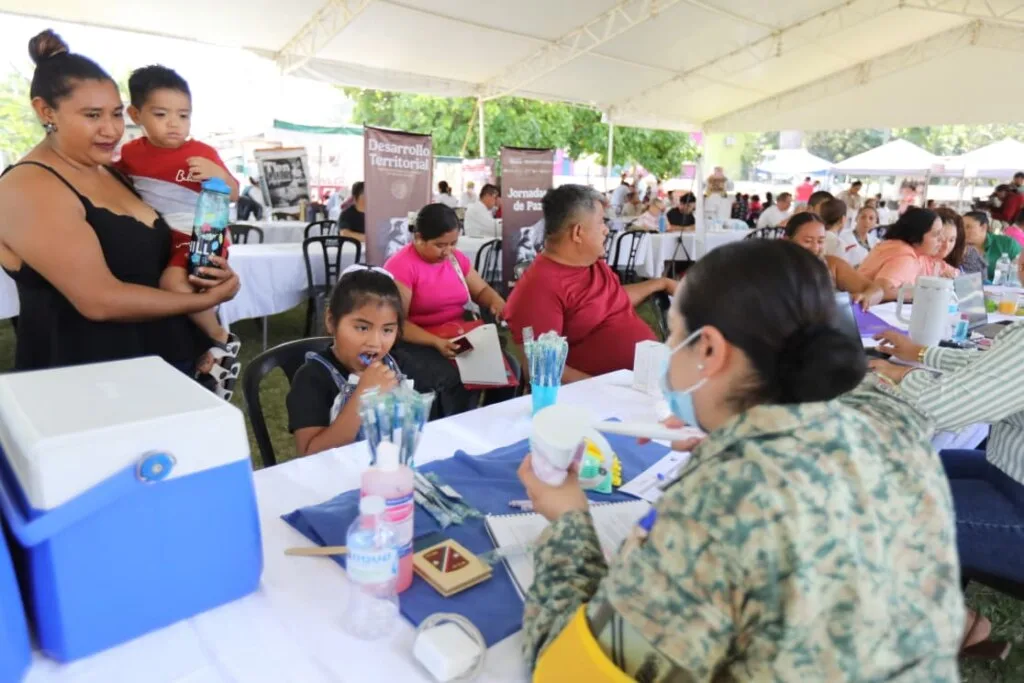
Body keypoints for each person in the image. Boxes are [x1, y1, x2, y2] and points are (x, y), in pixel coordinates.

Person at [519, 239, 964, 680]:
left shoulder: (718, 505)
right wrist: (734, 425)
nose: (668, 348)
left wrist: (567, 521)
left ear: (709, 351)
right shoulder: (897, 428)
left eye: (674, 334)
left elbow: (571, 673)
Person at [0, 30, 238, 372]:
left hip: (166, 365)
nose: (111, 130)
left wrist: (206, 270)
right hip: (91, 380)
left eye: (115, 114)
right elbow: (99, 300)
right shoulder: (28, 186)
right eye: (92, 115)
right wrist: (207, 300)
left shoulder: (115, 173)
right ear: (45, 111)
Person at [870, 303, 1024, 656]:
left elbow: (940, 407)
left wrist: (903, 375)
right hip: (1009, 474)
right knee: (930, 465)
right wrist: (921, 353)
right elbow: (995, 367)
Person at [117, 64, 241, 397]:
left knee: (173, 283)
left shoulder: (201, 153)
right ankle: (204, 353)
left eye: (183, 115)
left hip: (200, 233)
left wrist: (219, 174)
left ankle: (220, 338)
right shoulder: (130, 153)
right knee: (177, 289)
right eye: (161, 114)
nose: (174, 123)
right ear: (136, 114)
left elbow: (233, 193)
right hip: (162, 236)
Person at [505, 185, 676, 382]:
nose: (606, 230)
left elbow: (612, 300)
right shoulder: (538, 289)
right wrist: (605, 389)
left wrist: (660, 283)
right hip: (604, 394)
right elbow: (541, 368)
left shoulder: (590, 263)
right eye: (601, 222)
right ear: (578, 233)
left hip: (650, 379)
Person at [384, 203, 512, 417]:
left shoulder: (455, 259)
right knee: (453, 379)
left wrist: (496, 301)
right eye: (440, 245)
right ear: (418, 238)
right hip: (419, 342)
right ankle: (452, 426)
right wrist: (436, 342)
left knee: (508, 371)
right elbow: (396, 324)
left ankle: (488, 422)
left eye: (453, 243)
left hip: (457, 336)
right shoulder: (401, 266)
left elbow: (481, 290)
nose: (448, 251)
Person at [287, 267, 405, 456]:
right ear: (331, 321)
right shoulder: (311, 379)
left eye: (387, 330)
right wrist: (363, 395)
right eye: (362, 328)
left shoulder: (394, 365)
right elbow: (310, 455)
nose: (375, 342)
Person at [784, 212, 884, 309]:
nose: (815, 248)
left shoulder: (832, 265)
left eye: (820, 241)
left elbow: (877, 291)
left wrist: (865, 298)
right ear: (787, 241)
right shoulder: (778, 270)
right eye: (808, 241)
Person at [859, 207, 957, 300]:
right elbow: (881, 291)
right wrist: (919, 292)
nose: (941, 239)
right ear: (916, 237)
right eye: (936, 234)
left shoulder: (901, 247)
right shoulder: (904, 256)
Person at [963, 210, 1021, 281]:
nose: (963, 231)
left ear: (983, 227)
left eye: (968, 227)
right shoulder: (957, 246)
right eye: (961, 227)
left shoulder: (1007, 244)